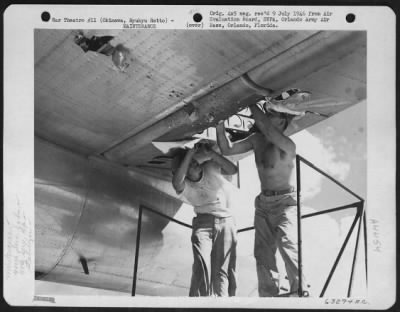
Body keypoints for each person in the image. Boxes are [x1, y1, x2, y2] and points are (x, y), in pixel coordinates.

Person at [216, 102, 308, 297]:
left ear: (282, 121)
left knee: (287, 244)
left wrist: (249, 99)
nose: (267, 114)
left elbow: (265, 126)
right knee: (262, 254)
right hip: (263, 205)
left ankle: (300, 293)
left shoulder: (287, 144)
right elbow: (226, 149)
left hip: (286, 204)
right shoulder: (257, 139)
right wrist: (219, 124)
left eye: (272, 114)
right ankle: (268, 297)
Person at [171, 142, 238, 297]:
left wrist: (212, 154)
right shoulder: (184, 185)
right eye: (191, 164)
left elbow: (233, 170)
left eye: (195, 161)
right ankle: (198, 303)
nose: (196, 164)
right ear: (184, 170)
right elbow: (176, 181)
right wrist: (188, 154)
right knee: (201, 265)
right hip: (203, 223)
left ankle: (223, 304)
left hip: (225, 220)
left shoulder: (209, 167)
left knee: (222, 269)